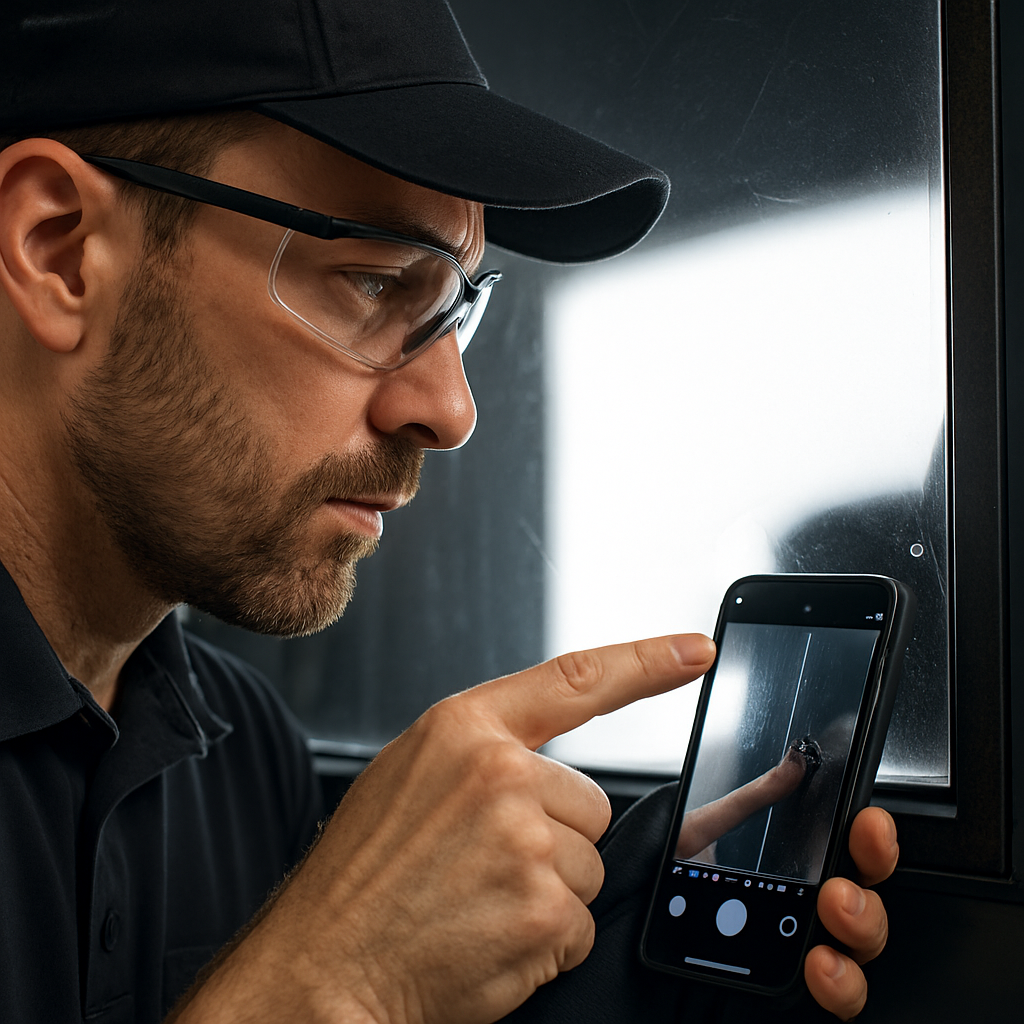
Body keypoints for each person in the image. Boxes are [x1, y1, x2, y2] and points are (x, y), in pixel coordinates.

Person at [0, 2, 897, 1022]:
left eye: (459, 306)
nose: (453, 410)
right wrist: (325, 980)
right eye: (373, 282)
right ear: (59, 247)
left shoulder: (243, 753)